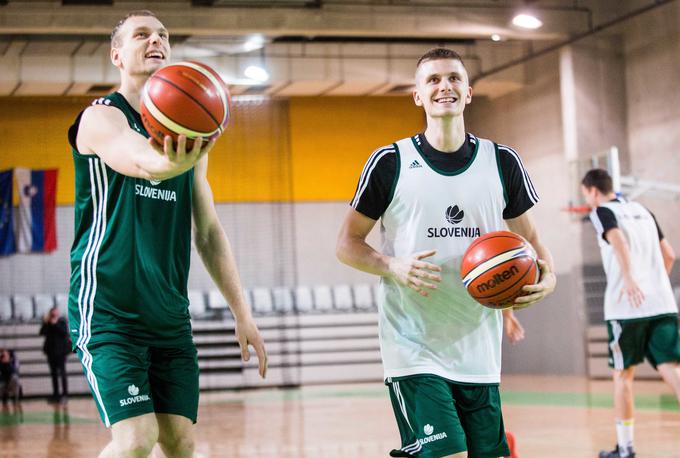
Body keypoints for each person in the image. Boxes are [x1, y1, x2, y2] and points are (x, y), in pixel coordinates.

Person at [336, 47, 555, 458]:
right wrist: (392, 265)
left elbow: (533, 240)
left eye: (453, 78)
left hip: (479, 350)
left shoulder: (502, 161)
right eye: (433, 80)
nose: (444, 87)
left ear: (468, 92)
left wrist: (550, 278)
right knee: (447, 452)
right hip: (413, 345)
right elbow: (346, 244)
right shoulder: (390, 162)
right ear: (417, 96)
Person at [67, 10, 267, 458]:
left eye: (163, 34)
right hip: (109, 312)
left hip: (169, 315)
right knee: (137, 440)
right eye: (142, 35)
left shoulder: (188, 135)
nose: (156, 40)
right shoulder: (100, 119)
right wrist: (184, 155)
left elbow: (209, 232)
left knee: (179, 443)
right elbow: (142, 161)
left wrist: (243, 311)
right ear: (117, 54)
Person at [581, 168, 680, 458]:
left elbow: (618, 241)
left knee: (623, 377)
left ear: (593, 191)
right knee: (672, 370)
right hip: (662, 303)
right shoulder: (643, 209)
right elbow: (670, 255)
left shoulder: (601, 212)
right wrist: (655, 285)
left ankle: (625, 449)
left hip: (626, 307)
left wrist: (629, 279)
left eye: (586, 195)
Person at [39, 306, 71, 404]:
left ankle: (65, 395)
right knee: (54, 375)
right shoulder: (48, 322)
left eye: (55, 312)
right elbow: (41, 333)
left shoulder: (62, 321)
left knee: (62, 374)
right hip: (51, 353)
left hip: (61, 353)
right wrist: (46, 322)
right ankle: (56, 395)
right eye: (52, 313)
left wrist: (55, 324)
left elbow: (65, 333)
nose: (54, 314)